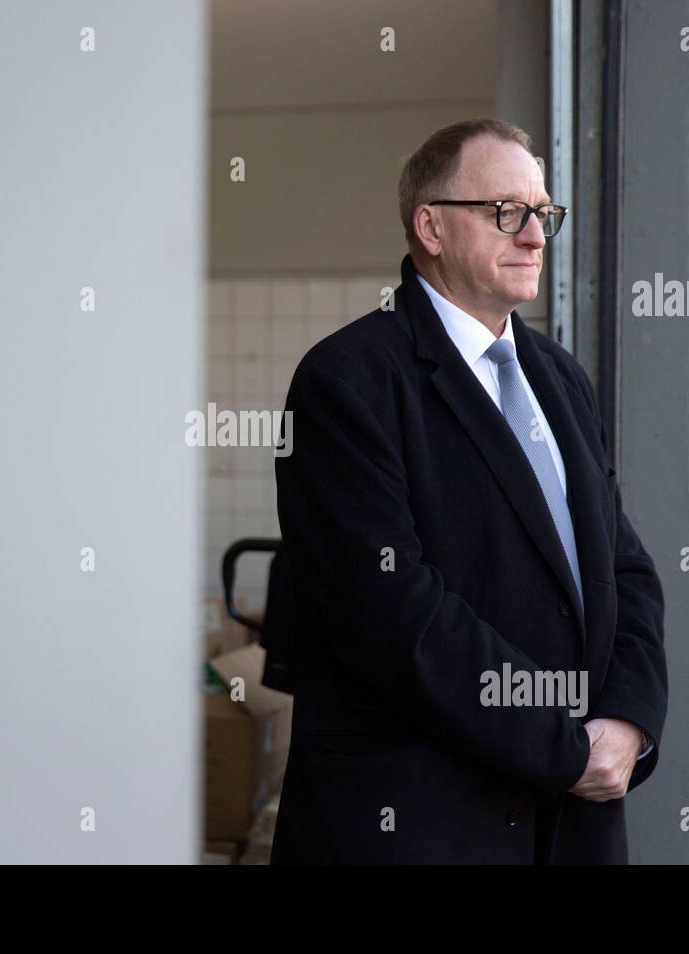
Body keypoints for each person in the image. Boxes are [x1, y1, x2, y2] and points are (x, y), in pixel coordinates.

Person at [269, 118, 667, 864]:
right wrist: (563, 743)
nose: (535, 235)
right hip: (423, 825)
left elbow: (625, 570)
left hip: (573, 826)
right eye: (506, 211)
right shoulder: (347, 381)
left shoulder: (560, 378)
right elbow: (392, 615)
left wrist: (629, 721)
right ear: (431, 226)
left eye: (544, 214)